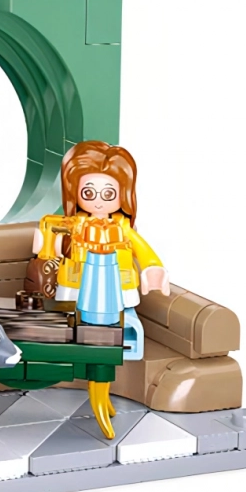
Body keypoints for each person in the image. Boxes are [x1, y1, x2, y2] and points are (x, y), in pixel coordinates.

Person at [36, 140, 169, 359]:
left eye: (108, 194)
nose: (98, 202)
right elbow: (49, 244)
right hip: (77, 283)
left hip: (116, 286)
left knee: (120, 316)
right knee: (69, 314)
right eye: (89, 193)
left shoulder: (122, 228)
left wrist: (152, 267)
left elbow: (141, 247)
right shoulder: (72, 224)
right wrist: (48, 244)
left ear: (123, 193)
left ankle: (119, 340)